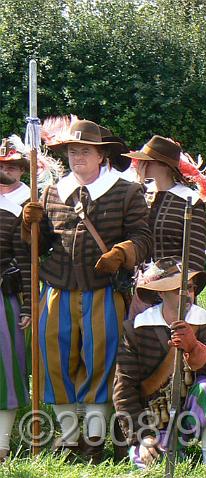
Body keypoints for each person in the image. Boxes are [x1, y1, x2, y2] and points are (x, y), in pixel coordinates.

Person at [22, 119, 152, 462]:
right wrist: (28, 225)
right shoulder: (51, 192)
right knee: (55, 365)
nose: (77, 156)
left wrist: (123, 253)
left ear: (101, 155)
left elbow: (144, 238)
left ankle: (94, 442)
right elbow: (40, 246)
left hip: (103, 292)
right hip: (56, 290)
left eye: (85, 150)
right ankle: (67, 439)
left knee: (100, 365)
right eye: (72, 150)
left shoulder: (126, 191)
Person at [113, 257, 206, 468]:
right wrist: (143, 436)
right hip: (150, 419)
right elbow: (124, 390)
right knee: (146, 463)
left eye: (190, 287)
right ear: (161, 293)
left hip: (188, 412)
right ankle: (166, 447)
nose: (187, 294)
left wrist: (194, 347)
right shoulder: (136, 329)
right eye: (178, 288)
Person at [123, 135, 206, 318]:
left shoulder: (190, 201)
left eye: (146, 161)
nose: (138, 165)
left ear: (162, 165)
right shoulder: (140, 196)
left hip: (174, 295)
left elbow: (194, 258)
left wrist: (181, 294)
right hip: (140, 292)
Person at [0, 138, 32, 461]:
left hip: (5, 292)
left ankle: (2, 445)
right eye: (1, 165)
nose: (5, 170)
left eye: (11, 165)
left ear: (23, 169)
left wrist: (28, 303)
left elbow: (29, 260)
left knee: (5, 368)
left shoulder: (30, 200)